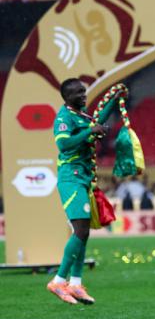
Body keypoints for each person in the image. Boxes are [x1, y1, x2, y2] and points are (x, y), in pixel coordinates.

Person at [47, 78, 113, 305]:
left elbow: (96, 123)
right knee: (81, 230)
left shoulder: (82, 116)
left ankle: (75, 283)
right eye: (77, 93)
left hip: (83, 179)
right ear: (66, 97)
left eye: (83, 91)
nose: (83, 95)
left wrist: (115, 100)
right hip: (70, 178)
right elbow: (64, 145)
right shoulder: (63, 118)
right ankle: (58, 280)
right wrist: (90, 132)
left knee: (83, 232)